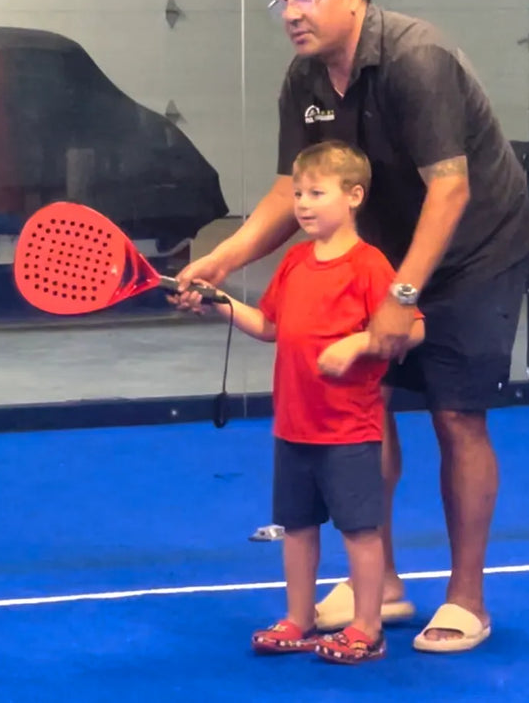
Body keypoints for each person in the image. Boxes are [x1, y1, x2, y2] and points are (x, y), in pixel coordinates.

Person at [177, 0, 529, 654]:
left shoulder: (417, 60)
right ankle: (388, 589)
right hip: (384, 253)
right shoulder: (303, 80)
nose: (291, 12)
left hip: (475, 250)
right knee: (365, 404)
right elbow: (290, 190)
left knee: (456, 416)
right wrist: (225, 258)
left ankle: (467, 600)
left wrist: (401, 296)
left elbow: (452, 188)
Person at [177, 140, 424, 665]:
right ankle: (300, 617)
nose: (303, 204)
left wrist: (358, 343)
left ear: (354, 196)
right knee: (297, 527)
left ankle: (367, 625)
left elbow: (414, 328)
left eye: (316, 192)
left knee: (361, 531)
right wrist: (219, 304)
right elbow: (269, 326)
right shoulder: (293, 263)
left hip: (350, 432)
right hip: (293, 427)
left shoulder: (370, 266)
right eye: (297, 194)